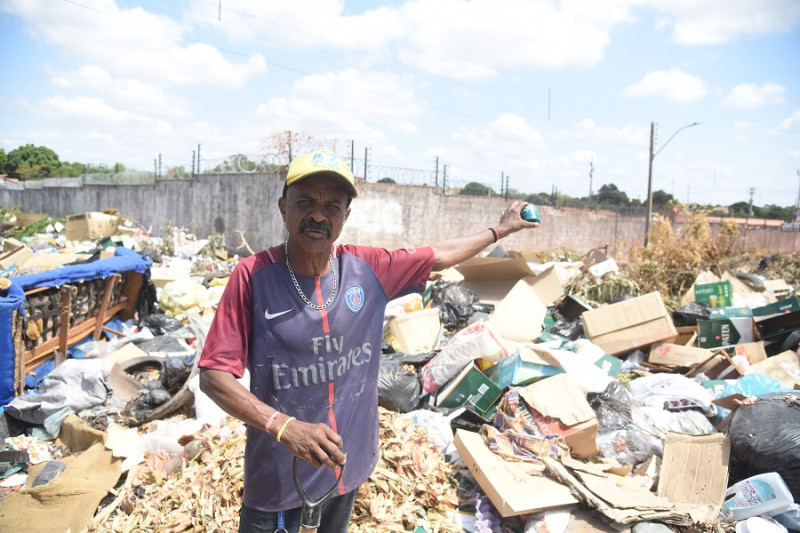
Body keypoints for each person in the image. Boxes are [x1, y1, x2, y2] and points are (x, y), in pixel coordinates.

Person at [198, 149, 538, 533]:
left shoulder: (366, 269)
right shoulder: (253, 276)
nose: (318, 214)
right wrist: (284, 427)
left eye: (332, 205)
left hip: (347, 468)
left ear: (346, 215)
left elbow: (439, 255)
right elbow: (213, 375)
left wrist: (501, 231)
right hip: (281, 480)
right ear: (283, 207)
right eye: (305, 202)